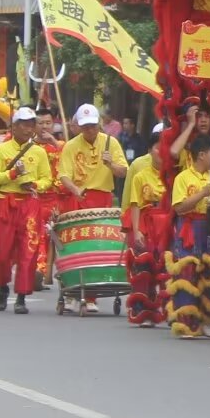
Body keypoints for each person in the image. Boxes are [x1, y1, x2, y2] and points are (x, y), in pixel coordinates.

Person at [55, 104, 130, 315]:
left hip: (102, 198)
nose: (90, 130)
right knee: (73, 246)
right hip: (78, 197)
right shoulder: (71, 146)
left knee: (96, 246)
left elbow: (123, 171)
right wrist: (75, 190)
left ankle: (90, 296)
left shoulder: (110, 142)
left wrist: (110, 164)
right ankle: (70, 292)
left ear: (99, 124)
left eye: (93, 126)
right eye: (85, 126)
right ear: (78, 126)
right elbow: (64, 175)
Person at [0, 108, 54, 314]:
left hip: (29, 206)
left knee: (28, 251)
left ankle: (22, 296)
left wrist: (35, 185)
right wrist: (13, 174)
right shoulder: (1, 150)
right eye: (23, 124)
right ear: (13, 126)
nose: (27, 128)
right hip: (5, 203)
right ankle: (3, 287)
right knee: (1, 252)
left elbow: (47, 178)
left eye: (31, 124)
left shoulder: (39, 152)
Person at [166, 135, 210, 340]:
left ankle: (205, 318)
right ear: (201, 155)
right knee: (187, 274)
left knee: (209, 275)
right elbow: (180, 207)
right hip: (189, 229)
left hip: (209, 228)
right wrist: (203, 193)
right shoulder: (183, 178)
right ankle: (186, 320)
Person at [121, 125, 172, 328]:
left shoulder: (173, 174)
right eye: (158, 148)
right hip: (146, 221)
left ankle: (170, 309)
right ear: (150, 150)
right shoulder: (141, 174)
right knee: (144, 265)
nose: (161, 153)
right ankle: (143, 308)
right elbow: (135, 204)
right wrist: (136, 230)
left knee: (167, 266)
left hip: (166, 222)